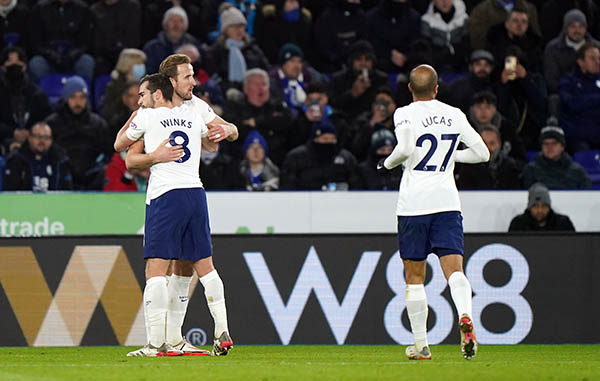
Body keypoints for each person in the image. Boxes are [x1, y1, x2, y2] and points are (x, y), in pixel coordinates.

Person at [117, 54, 239, 357]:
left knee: (155, 269)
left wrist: (142, 126)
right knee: (204, 267)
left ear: (157, 92)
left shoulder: (149, 115)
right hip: (195, 194)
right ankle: (218, 332)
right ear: (172, 82)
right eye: (188, 76)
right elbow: (211, 143)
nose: (193, 82)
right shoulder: (193, 115)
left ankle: (156, 344)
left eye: (143, 94)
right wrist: (219, 135)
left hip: (165, 194)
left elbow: (121, 147)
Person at [377, 64, 489, 360]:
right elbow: (483, 153)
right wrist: (451, 156)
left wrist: (385, 165)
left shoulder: (404, 113)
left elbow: (403, 149)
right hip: (447, 203)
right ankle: (465, 316)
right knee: (454, 270)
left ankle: (421, 345)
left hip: (414, 204)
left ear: (411, 88)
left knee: (415, 277)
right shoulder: (454, 114)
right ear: (437, 88)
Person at [45, 76, 111, 190]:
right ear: (66, 98)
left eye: (82, 97)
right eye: (73, 97)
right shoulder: (52, 123)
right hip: (61, 175)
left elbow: (108, 151)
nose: (78, 102)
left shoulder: (98, 123)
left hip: (93, 176)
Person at [280, 117, 360, 190]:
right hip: (305, 201)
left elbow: (356, 183)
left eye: (333, 139)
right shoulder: (296, 157)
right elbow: (287, 184)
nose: (329, 142)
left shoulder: (345, 157)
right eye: (325, 139)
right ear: (315, 139)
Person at [204, 6, 270, 92]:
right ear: (226, 30)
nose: (238, 30)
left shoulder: (253, 49)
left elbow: (266, 70)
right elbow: (213, 78)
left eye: (241, 26)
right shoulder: (216, 52)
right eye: (233, 26)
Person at [27, 0, 95, 83]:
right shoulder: (39, 8)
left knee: (87, 61)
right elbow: (35, 42)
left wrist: (73, 54)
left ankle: (82, 94)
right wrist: (49, 54)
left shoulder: (82, 8)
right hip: (47, 58)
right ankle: (40, 95)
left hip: (74, 58)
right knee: (36, 63)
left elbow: (86, 42)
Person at [0, 46, 52, 149]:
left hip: (34, 141)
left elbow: (47, 119)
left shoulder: (37, 94)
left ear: (24, 66)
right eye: (10, 61)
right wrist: (13, 132)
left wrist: (32, 133)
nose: (14, 65)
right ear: (3, 67)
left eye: (18, 61)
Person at [327, 39, 390, 119]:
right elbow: (332, 104)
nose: (363, 63)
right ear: (352, 61)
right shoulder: (338, 79)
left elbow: (388, 102)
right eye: (358, 59)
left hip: (374, 121)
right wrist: (352, 93)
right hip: (345, 122)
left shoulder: (381, 79)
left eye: (367, 59)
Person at [3, 122, 72, 191]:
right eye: (37, 136)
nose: (42, 141)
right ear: (29, 138)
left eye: (46, 137)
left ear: (51, 140)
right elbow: (10, 193)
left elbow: (67, 192)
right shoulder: (16, 161)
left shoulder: (60, 161)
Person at [558, 42, 600, 152]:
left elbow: (580, 103)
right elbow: (572, 104)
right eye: (592, 59)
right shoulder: (568, 81)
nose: (597, 62)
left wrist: (586, 102)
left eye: (599, 58)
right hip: (579, 136)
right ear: (581, 62)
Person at [522, 126, 592, 189]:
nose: (549, 147)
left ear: (562, 147)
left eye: (554, 143)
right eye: (546, 144)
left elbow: (588, 196)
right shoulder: (530, 170)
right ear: (541, 147)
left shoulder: (577, 171)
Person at [456, 124, 522, 189]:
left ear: (499, 144)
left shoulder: (510, 166)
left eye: (492, 143)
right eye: (484, 143)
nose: (488, 148)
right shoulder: (468, 167)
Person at [143, 6, 201, 74]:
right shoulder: (152, 48)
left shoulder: (194, 45)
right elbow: (150, 75)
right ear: (165, 24)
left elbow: (200, 71)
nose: (176, 24)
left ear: (185, 25)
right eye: (172, 20)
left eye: (180, 21)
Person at [90, 0, 141, 75]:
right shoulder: (95, 9)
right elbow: (95, 40)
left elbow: (133, 37)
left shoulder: (132, 6)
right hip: (103, 55)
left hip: (127, 53)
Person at [420, 0, 470, 74]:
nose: (444, 2)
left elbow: (467, 43)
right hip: (436, 66)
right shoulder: (426, 20)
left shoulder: (464, 18)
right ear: (433, 1)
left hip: (460, 65)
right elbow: (426, 47)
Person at [468, 0, 540, 51]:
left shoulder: (529, 9)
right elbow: (477, 42)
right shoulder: (481, 11)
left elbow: (536, 38)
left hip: (525, 58)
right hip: (493, 61)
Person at [508, 182, 576, 231]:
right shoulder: (518, 224)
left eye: (544, 206)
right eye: (536, 206)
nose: (540, 210)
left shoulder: (563, 224)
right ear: (529, 207)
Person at [103, 49, 147, 119]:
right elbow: (110, 110)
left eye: (143, 63)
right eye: (139, 64)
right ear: (128, 64)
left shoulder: (144, 82)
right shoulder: (116, 85)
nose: (142, 66)